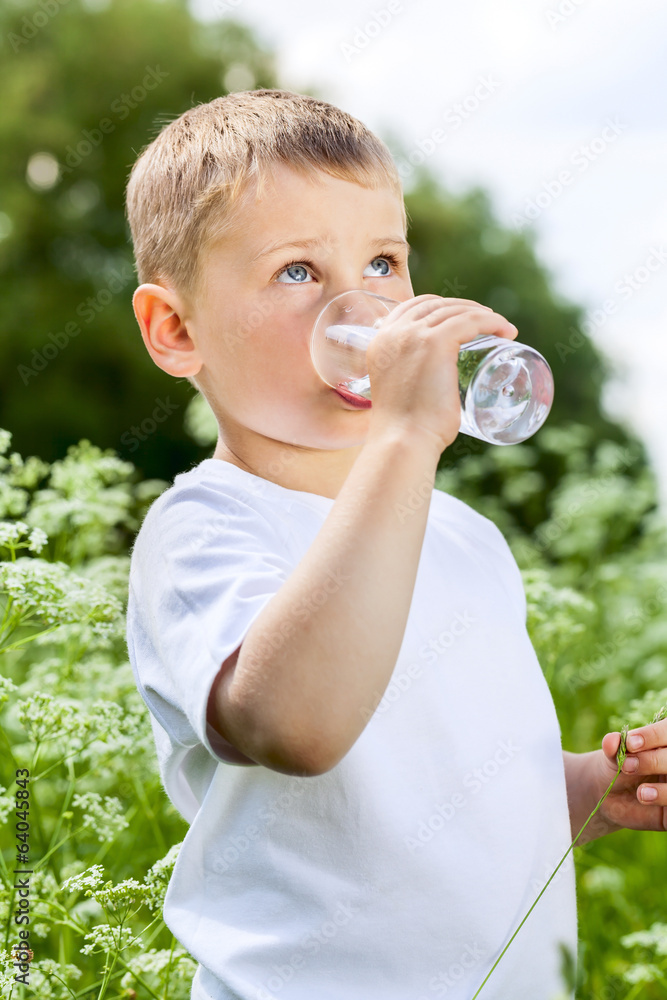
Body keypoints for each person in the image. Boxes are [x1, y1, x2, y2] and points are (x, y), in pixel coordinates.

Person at [124, 88, 667, 1000]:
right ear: (176, 331)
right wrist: (405, 440)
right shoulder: (206, 529)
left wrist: (583, 792)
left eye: (383, 262)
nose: (362, 307)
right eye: (297, 271)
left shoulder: (461, 534)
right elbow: (297, 728)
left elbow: (436, 792)